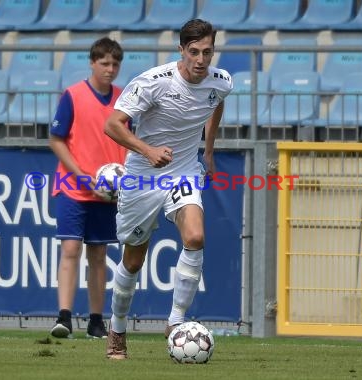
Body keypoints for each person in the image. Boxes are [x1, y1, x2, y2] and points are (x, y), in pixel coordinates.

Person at [103, 19, 233, 359]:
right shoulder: (152, 82)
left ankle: (175, 322)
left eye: (207, 52)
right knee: (133, 261)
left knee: (195, 237)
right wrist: (147, 151)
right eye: (194, 52)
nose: (201, 60)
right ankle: (117, 329)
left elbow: (216, 101)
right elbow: (112, 125)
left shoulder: (221, 82)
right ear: (181, 50)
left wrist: (208, 150)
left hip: (184, 171)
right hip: (143, 176)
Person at [49, 37, 127, 339]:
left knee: (98, 254)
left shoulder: (123, 100)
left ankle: (96, 320)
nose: (110, 69)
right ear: (92, 63)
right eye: (104, 63)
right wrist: (80, 175)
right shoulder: (73, 95)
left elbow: (129, 141)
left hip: (107, 191)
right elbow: (56, 139)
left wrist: (121, 177)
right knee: (70, 249)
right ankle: (64, 317)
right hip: (74, 185)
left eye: (115, 64)